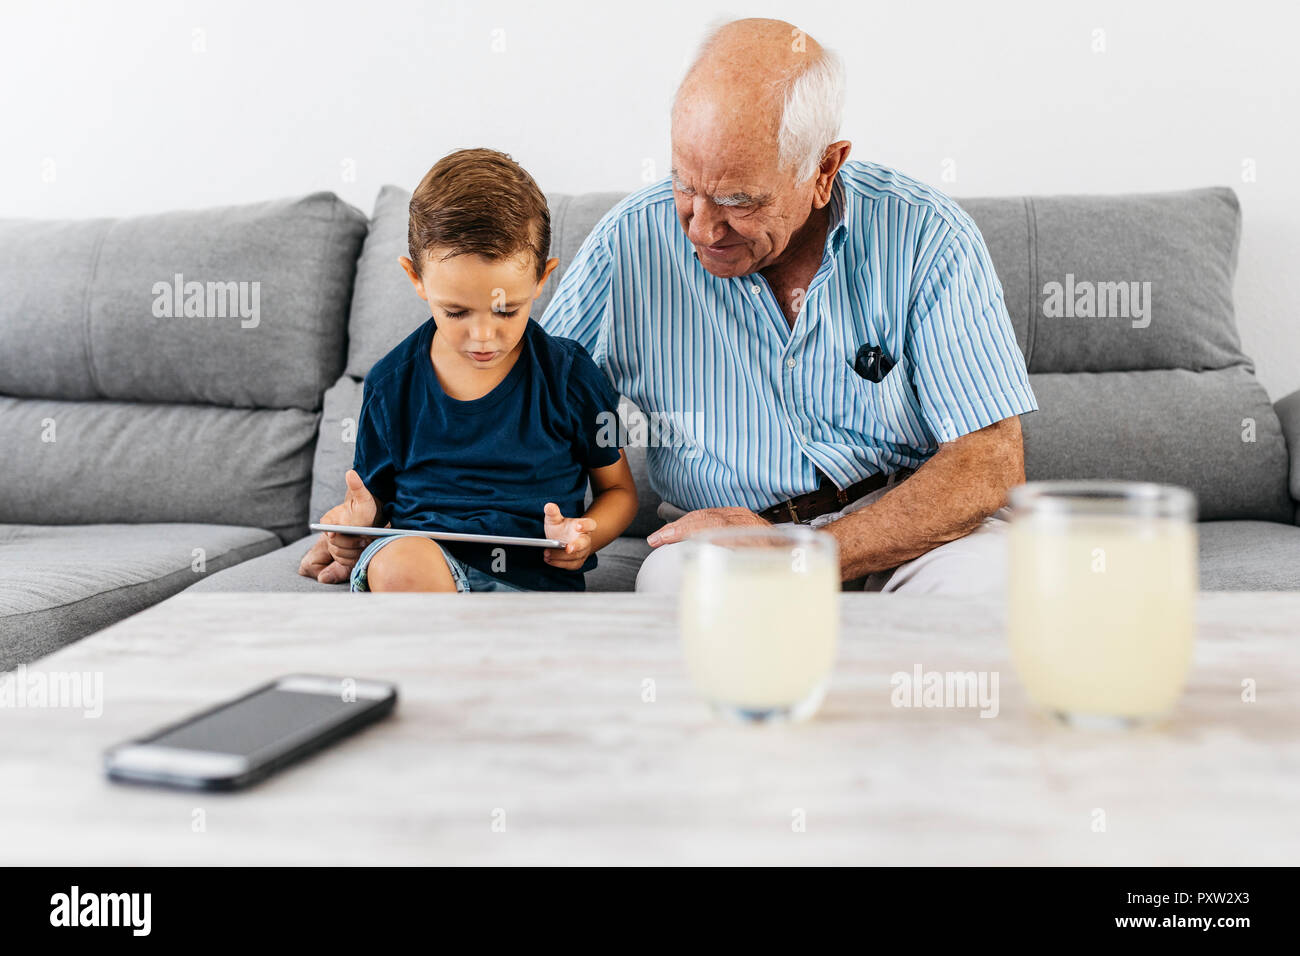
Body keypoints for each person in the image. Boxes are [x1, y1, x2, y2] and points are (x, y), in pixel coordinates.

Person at [538, 17, 1038, 595]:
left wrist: (814, 554)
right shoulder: (628, 243)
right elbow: (532, 404)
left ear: (823, 170)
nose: (700, 228)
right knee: (683, 589)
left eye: (737, 201)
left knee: (992, 589)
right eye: (683, 184)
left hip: (915, 534)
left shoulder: (928, 236)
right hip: (725, 541)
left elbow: (989, 463)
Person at [298, 148, 638, 592]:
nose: (483, 336)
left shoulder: (571, 376)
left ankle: (470, 642)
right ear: (416, 278)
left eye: (507, 310)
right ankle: (464, 643)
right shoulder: (389, 384)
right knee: (400, 561)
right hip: (422, 562)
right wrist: (352, 528)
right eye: (457, 312)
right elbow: (374, 505)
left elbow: (619, 493)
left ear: (542, 278)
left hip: (531, 579)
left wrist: (584, 536)